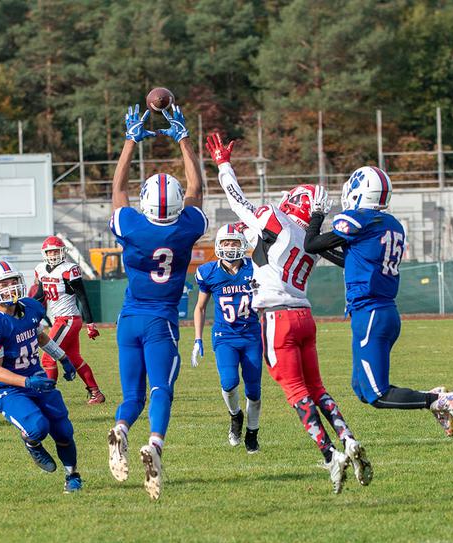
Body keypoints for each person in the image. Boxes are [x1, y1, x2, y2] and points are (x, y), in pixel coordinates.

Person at [207, 132, 370, 494]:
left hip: (277, 319)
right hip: (304, 317)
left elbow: (238, 203)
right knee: (318, 388)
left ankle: (330, 456)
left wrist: (223, 165)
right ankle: (348, 438)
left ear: (294, 201)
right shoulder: (311, 241)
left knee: (297, 392)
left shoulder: (275, 219)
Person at [303, 166, 453, 440]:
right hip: (381, 312)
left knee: (376, 393)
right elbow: (352, 260)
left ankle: (444, 400)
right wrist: (324, 247)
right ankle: (436, 399)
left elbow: (311, 244)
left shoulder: (359, 220)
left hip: (370, 312)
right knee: (360, 389)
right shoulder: (391, 224)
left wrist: (317, 214)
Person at [106, 103, 207, 500]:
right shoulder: (185, 228)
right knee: (161, 389)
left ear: (145, 203)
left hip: (128, 318)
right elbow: (197, 190)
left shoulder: (130, 225)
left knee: (131, 396)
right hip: (160, 321)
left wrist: (131, 141)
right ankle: (155, 446)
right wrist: (183, 138)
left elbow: (118, 190)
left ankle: (121, 429)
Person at [0, 261, 82, 493]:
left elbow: (39, 336)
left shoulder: (30, 308)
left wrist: (63, 358)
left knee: (63, 429)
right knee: (38, 427)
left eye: (13, 281)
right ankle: (32, 443)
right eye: (3, 283)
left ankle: (72, 475)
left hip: (36, 377)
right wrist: (28, 382)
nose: (10, 287)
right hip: (7, 387)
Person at [191, 223, 263, 452]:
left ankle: (252, 433)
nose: (230, 247)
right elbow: (200, 307)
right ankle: (235, 416)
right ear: (218, 245)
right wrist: (197, 339)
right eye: (225, 242)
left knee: (254, 391)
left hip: (252, 334)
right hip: (225, 336)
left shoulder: (256, 268)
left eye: (234, 242)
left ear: (243, 244)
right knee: (229, 382)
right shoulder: (208, 272)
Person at [32, 236, 105, 404]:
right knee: (73, 357)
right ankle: (96, 393)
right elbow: (41, 295)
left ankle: (49, 398)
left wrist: (90, 323)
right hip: (60, 319)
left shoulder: (69, 269)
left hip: (68, 319)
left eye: (55, 251)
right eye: (49, 252)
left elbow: (82, 297)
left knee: (48, 357)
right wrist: (25, 305)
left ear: (62, 252)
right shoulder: (41, 269)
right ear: (44, 253)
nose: (52, 255)